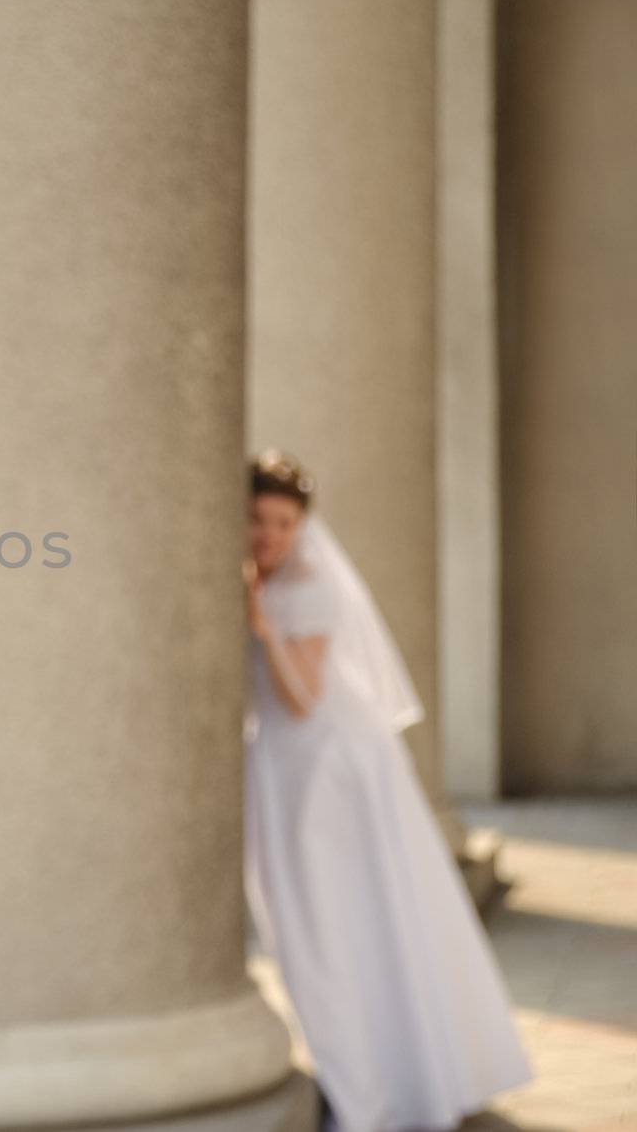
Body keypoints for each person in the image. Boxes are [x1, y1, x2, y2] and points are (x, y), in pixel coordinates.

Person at [242, 449, 531, 1132]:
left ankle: (378, 1090)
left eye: (284, 522)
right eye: (257, 519)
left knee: (344, 925)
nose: (270, 535)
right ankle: (380, 1073)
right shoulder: (258, 579)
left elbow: (304, 697)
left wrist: (259, 626)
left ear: (303, 527)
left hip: (332, 775)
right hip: (287, 770)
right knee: (325, 926)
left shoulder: (310, 585)